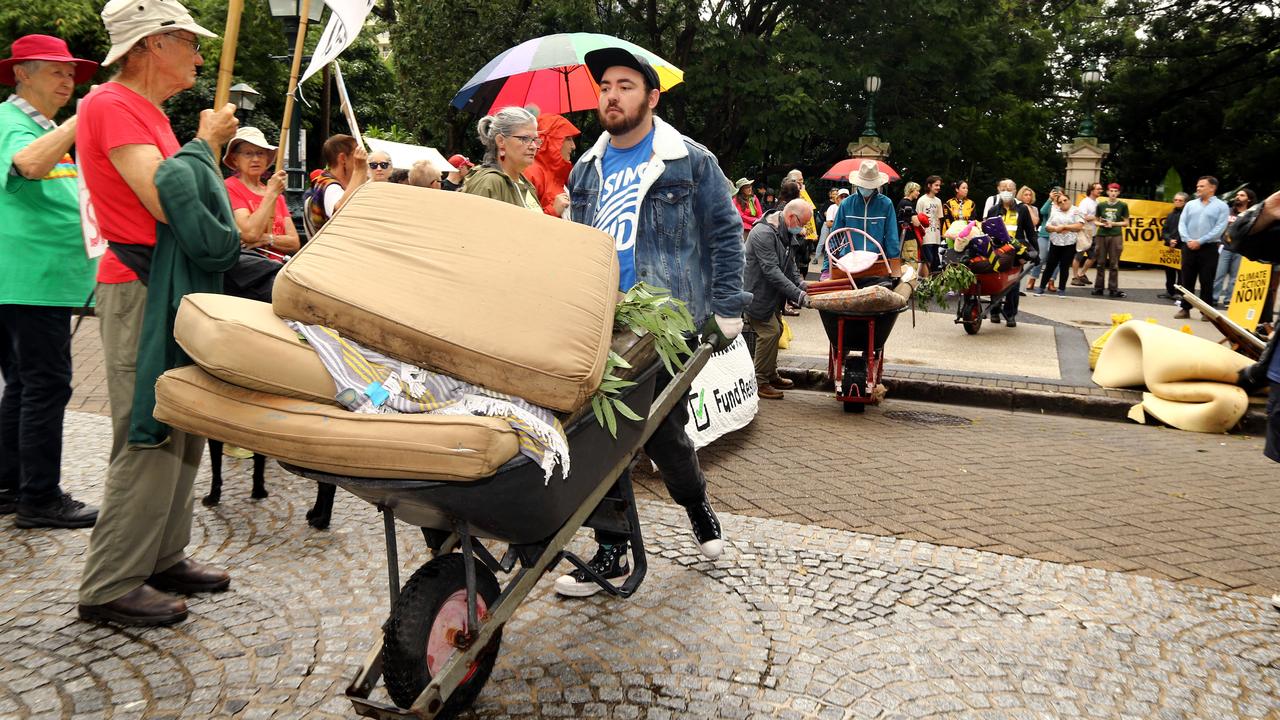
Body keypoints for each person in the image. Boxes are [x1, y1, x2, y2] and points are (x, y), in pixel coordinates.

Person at [555, 46, 748, 597]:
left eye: (625, 85)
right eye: (605, 87)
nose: (611, 96)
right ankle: (613, 549)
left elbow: (724, 235)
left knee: (662, 434)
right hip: (602, 322)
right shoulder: (585, 167)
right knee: (600, 431)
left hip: (667, 322)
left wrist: (728, 309)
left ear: (651, 96)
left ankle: (695, 504)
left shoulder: (690, 160)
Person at [76, 0, 241, 627]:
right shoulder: (113, 105)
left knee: (182, 420)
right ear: (153, 44)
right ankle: (111, 581)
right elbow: (166, 200)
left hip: (165, 284)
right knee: (148, 429)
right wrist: (205, 145)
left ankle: (162, 554)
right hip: (142, 284)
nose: (200, 56)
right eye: (189, 44)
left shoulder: (141, 110)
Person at [0, 34, 100, 528]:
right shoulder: (13, 122)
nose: (68, 81)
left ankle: (10, 484)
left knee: (23, 384)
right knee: (45, 385)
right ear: (22, 73)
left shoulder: (39, 125)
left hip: (34, 280)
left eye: (71, 73)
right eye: (56, 71)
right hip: (30, 280)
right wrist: (85, 118)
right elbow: (29, 165)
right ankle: (39, 498)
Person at [744, 199, 812, 400]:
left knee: (778, 329)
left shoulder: (783, 230)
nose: (803, 229)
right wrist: (798, 295)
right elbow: (771, 271)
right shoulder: (763, 233)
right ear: (792, 217)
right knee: (770, 332)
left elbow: (790, 266)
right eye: (803, 224)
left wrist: (801, 284)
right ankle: (760, 382)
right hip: (757, 293)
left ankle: (771, 375)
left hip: (772, 295)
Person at [222, 127, 300, 258]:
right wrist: (270, 194)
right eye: (248, 153)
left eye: (260, 153)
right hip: (251, 272)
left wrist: (266, 239)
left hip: (277, 269)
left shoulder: (276, 194)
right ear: (235, 159)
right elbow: (250, 233)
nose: (255, 159)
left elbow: (294, 242)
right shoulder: (229, 187)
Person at [462, 106, 540, 210]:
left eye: (535, 139)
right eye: (525, 139)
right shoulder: (489, 182)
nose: (533, 146)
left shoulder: (525, 182)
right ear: (501, 141)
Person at [1175, 176, 1230, 320]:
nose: (1198, 188)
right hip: (1188, 246)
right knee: (1187, 279)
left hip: (1209, 248)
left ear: (1212, 188)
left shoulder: (1222, 206)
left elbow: (1220, 228)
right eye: (1197, 186)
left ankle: (1206, 312)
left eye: (1202, 186)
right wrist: (1188, 240)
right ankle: (1185, 309)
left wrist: (1200, 241)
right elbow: (1182, 223)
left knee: (1207, 280)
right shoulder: (1190, 204)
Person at [984, 179, 1037, 327]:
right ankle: (994, 311)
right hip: (998, 250)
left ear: (1015, 191)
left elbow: (1030, 233)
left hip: (1016, 250)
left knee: (1013, 283)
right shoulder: (993, 210)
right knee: (996, 279)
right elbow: (987, 231)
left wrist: (1035, 251)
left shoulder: (1022, 210)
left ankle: (1010, 314)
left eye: (1010, 188)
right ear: (999, 190)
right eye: (1003, 188)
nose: (1007, 191)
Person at [831, 160, 900, 265]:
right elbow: (835, 235)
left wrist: (894, 262)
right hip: (850, 260)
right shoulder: (846, 204)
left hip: (877, 260)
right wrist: (828, 265)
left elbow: (892, 236)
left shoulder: (886, 204)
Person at [306, 134, 367, 232]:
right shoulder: (328, 185)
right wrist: (359, 170)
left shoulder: (339, 185)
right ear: (343, 158)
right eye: (356, 154)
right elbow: (341, 212)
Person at [525, 113, 580, 216]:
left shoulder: (562, 176)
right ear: (550, 141)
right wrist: (553, 211)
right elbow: (523, 223)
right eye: (568, 139)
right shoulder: (532, 173)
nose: (573, 146)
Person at [1214, 188, 1257, 306]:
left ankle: (1229, 300)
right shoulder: (1228, 211)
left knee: (1235, 278)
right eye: (1237, 195)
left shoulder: (1252, 214)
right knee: (1219, 275)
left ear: (1249, 199)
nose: (1238, 197)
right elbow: (1219, 227)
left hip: (1241, 250)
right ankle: (1214, 298)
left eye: (1242, 195)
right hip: (1225, 248)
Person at [1037, 192, 1083, 297]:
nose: (1063, 203)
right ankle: (1041, 287)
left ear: (1069, 200)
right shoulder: (1055, 211)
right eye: (1060, 202)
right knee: (1050, 265)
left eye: (1065, 200)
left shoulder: (1076, 211)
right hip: (1055, 242)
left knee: (1064, 266)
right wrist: (1056, 229)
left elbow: (1079, 226)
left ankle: (1062, 289)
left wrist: (1064, 227)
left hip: (1069, 243)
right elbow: (1047, 226)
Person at [1090, 182, 1129, 297]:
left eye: (1115, 191)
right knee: (1100, 262)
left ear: (1118, 193)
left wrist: (1113, 223)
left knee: (1114, 263)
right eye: (1111, 191)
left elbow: (1126, 222)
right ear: (1107, 192)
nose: (1113, 193)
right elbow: (1095, 220)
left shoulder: (1122, 205)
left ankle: (1113, 288)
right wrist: (1102, 224)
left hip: (1115, 235)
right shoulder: (1101, 205)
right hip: (1101, 234)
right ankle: (1099, 288)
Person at [783, 169, 819, 273]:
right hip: (792, 240)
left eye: (802, 181)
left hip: (805, 240)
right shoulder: (786, 199)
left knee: (803, 266)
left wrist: (813, 233)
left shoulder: (804, 195)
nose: (801, 184)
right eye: (798, 181)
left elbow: (810, 216)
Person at [1028, 187, 1061, 292]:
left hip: (1058, 236)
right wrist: (1050, 199)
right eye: (1054, 193)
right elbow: (1042, 211)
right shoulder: (1050, 205)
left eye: (1059, 193)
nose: (1057, 195)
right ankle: (1032, 279)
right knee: (1040, 257)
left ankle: (1051, 281)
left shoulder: (1064, 205)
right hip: (1044, 234)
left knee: (1056, 260)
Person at [1071, 182, 1102, 286]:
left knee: (1093, 256)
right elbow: (1082, 216)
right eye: (1098, 189)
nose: (1100, 191)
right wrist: (1095, 217)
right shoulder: (1085, 202)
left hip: (1093, 233)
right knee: (1078, 256)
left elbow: (1095, 218)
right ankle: (1074, 277)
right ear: (1092, 191)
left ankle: (1081, 274)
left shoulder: (1097, 202)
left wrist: (1101, 221)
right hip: (1083, 233)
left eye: (1101, 189)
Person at [1161, 192, 1188, 301]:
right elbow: (1164, 230)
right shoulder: (1170, 215)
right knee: (1169, 270)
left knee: (1181, 271)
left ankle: (1179, 292)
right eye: (1175, 200)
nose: (1177, 202)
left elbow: (1185, 230)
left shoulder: (1186, 215)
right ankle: (1170, 291)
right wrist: (1169, 240)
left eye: (1180, 200)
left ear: (1185, 202)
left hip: (1181, 245)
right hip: (1169, 246)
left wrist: (1175, 240)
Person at [916, 175, 944, 274]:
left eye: (939, 185)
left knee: (935, 259)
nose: (938, 187)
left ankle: (929, 281)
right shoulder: (922, 200)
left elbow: (939, 218)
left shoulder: (938, 201)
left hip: (935, 234)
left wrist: (940, 234)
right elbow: (918, 219)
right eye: (936, 185)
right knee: (928, 259)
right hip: (925, 234)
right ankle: (925, 281)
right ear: (929, 185)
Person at [819, 188, 848, 280]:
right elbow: (829, 223)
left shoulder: (851, 209)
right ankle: (825, 272)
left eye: (846, 197)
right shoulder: (832, 207)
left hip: (847, 237)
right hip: (835, 236)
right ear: (838, 198)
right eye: (842, 196)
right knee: (830, 252)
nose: (844, 198)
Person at [897, 181, 922, 269]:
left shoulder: (901, 203)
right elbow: (916, 223)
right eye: (917, 191)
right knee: (911, 263)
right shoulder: (908, 204)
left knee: (903, 264)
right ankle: (911, 282)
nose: (918, 193)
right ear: (911, 190)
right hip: (909, 238)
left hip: (902, 238)